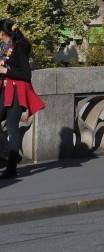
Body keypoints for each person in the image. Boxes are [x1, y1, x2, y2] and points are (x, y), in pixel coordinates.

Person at [0, 20, 45, 179]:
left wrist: (5, 70)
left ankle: (11, 165)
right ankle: (9, 155)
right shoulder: (3, 49)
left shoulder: (18, 48)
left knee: (12, 127)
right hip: (5, 90)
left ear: (2, 33)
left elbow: (26, 75)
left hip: (17, 92)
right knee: (10, 127)